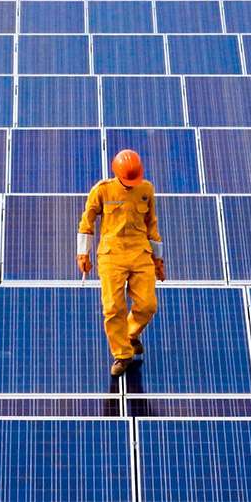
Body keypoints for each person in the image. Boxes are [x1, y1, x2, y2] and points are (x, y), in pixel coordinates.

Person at [77, 149, 164, 378]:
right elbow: (87, 222)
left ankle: (130, 335)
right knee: (113, 308)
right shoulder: (102, 190)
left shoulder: (146, 189)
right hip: (112, 255)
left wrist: (158, 260)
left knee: (147, 305)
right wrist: (83, 254)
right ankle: (122, 354)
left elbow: (152, 225)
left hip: (140, 252)